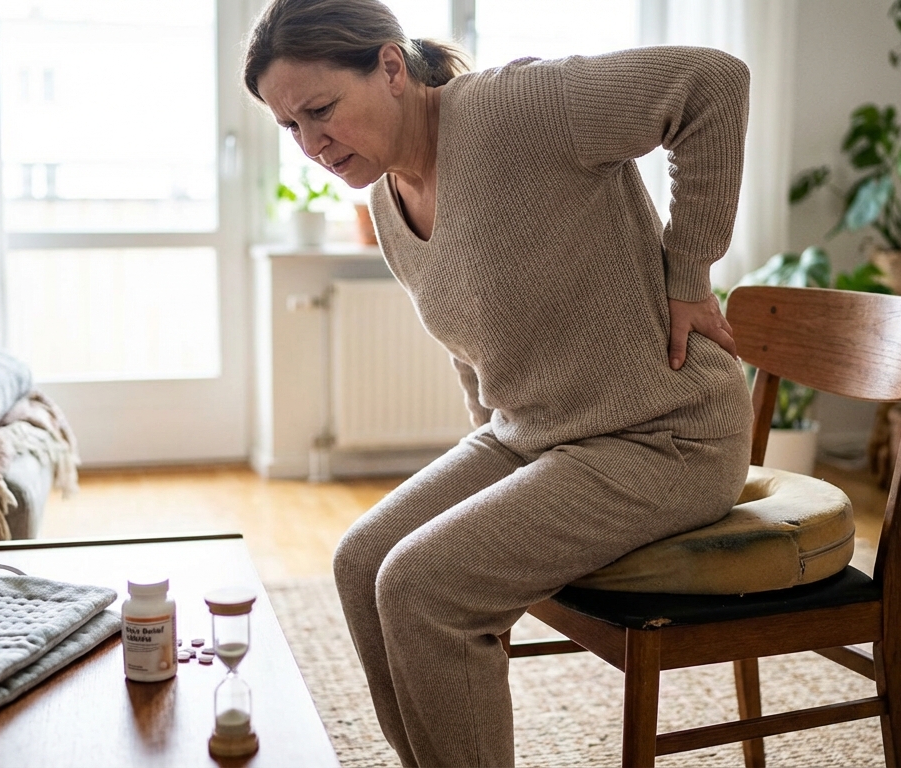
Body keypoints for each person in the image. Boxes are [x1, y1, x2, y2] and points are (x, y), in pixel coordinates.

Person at [246, 1, 753, 765]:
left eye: (321, 111)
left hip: (665, 432)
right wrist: (486, 480)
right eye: (291, 127)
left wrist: (689, 273)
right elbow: (473, 345)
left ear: (390, 67)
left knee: (423, 588)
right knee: (362, 562)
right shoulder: (387, 199)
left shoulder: (513, 109)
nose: (312, 145)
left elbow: (711, 83)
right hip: (536, 436)